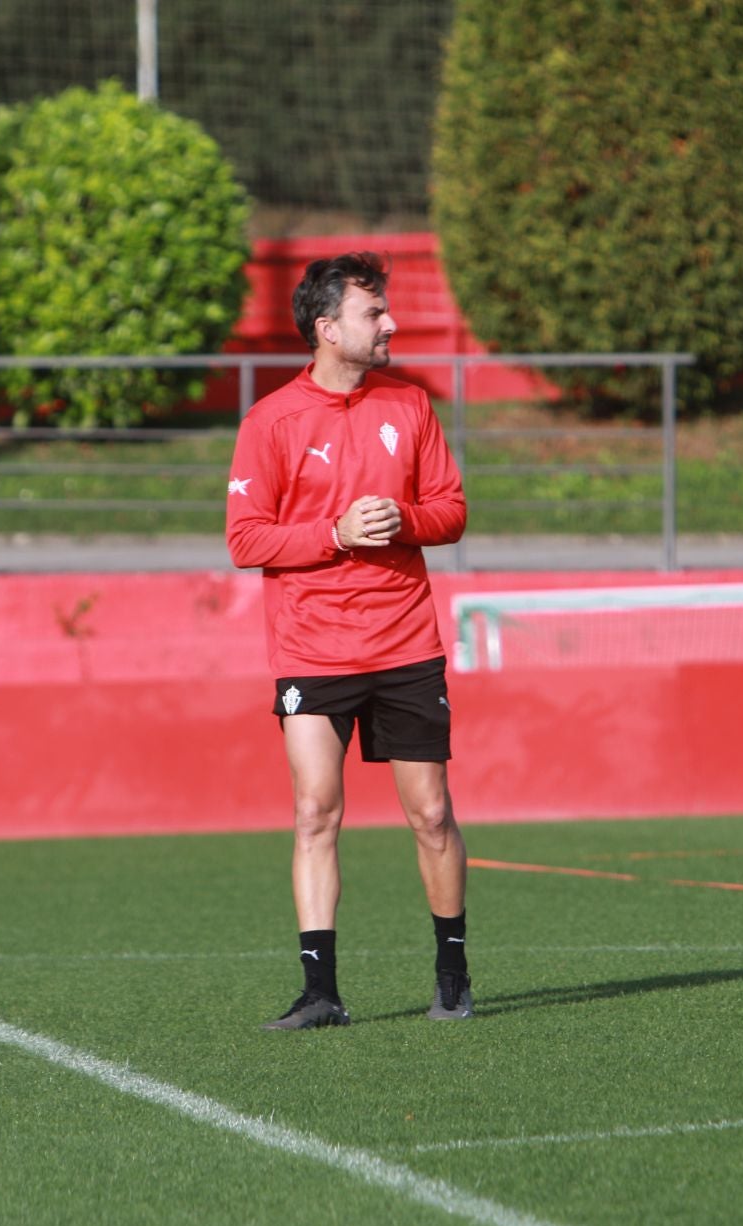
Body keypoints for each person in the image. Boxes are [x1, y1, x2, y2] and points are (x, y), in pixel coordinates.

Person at [225, 252, 473, 1031]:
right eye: (375, 313)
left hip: (405, 642)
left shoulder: (412, 407)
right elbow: (245, 537)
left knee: (431, 814)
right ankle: (320, 992)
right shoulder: (270, 421)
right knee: (314, 812)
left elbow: (452, 509)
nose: (391, 323)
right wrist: (333, 533)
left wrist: (408, 520)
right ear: (328, 329)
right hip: (312, 650)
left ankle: (453, 974)